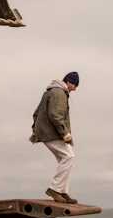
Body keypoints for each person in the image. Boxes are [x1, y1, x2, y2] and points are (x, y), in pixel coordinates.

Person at [30, 71, 79, 204]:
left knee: (65, 159)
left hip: (47, 131)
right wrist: (64, 133)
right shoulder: (59, 92)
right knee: (69, 157)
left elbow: (37, 112)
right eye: (75, 84)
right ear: (68, 82)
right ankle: (55, 189)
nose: (75, 88)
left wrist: (35, 129)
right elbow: (55, 115)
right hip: (52, 132)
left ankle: (62, 191)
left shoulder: (52, 91)